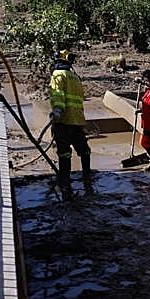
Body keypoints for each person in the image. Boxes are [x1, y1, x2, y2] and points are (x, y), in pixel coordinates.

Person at [48, 49, 92, 200]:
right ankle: (87, 176)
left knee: (64, 152)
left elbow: (58, 94)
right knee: (84, 150)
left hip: (64, 120)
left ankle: (65, 180)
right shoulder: (75, 77)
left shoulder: (58, 75)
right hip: (77, 120)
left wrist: (57, 110)